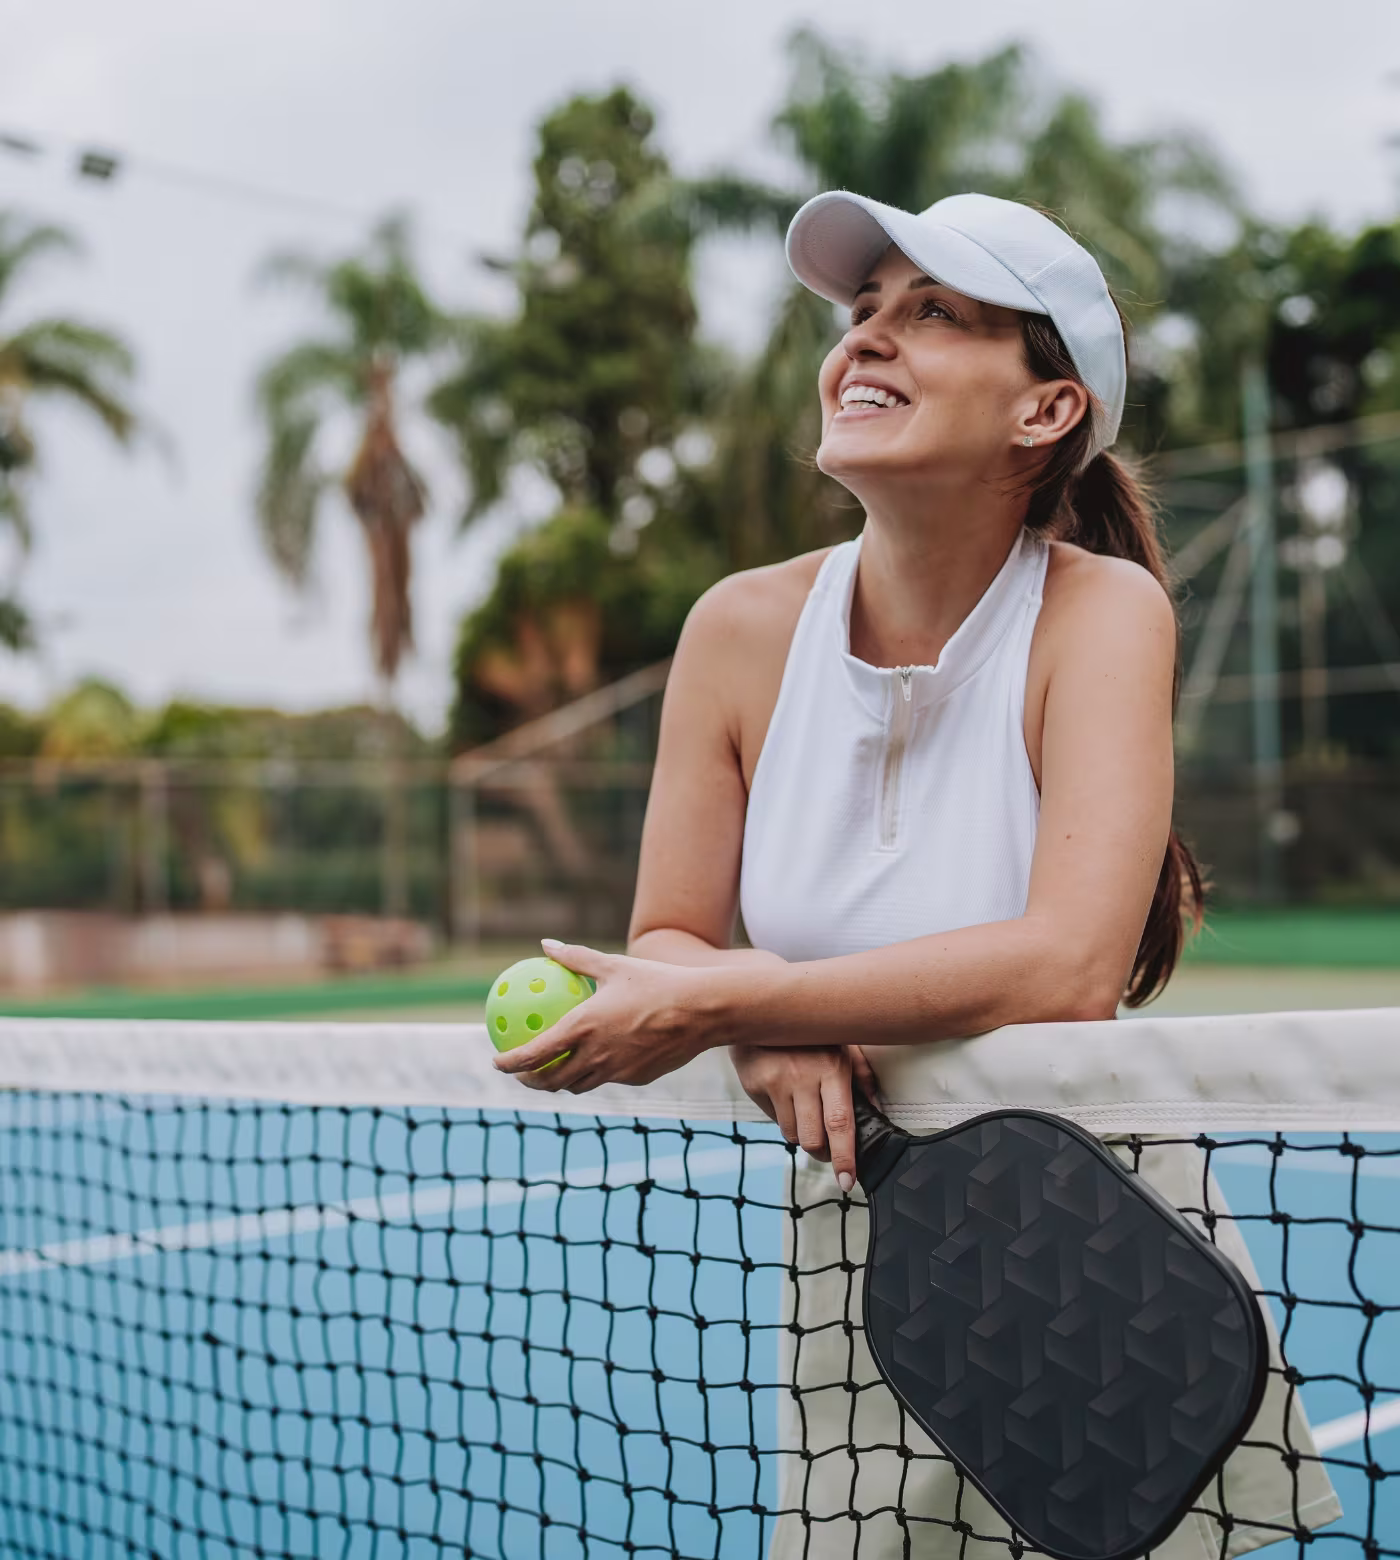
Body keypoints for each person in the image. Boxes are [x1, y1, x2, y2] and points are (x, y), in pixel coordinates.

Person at [493, 192, 1340, 1557]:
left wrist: (738, 1005)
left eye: (932, 312)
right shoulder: (736, 629)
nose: (869, 340)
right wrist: (771, 1037)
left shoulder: (1103, 613)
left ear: (1045, 411)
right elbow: (670, 929)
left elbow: (1064, 964)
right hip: (859, 1223)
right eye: (862, 312)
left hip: (1098, 1215)